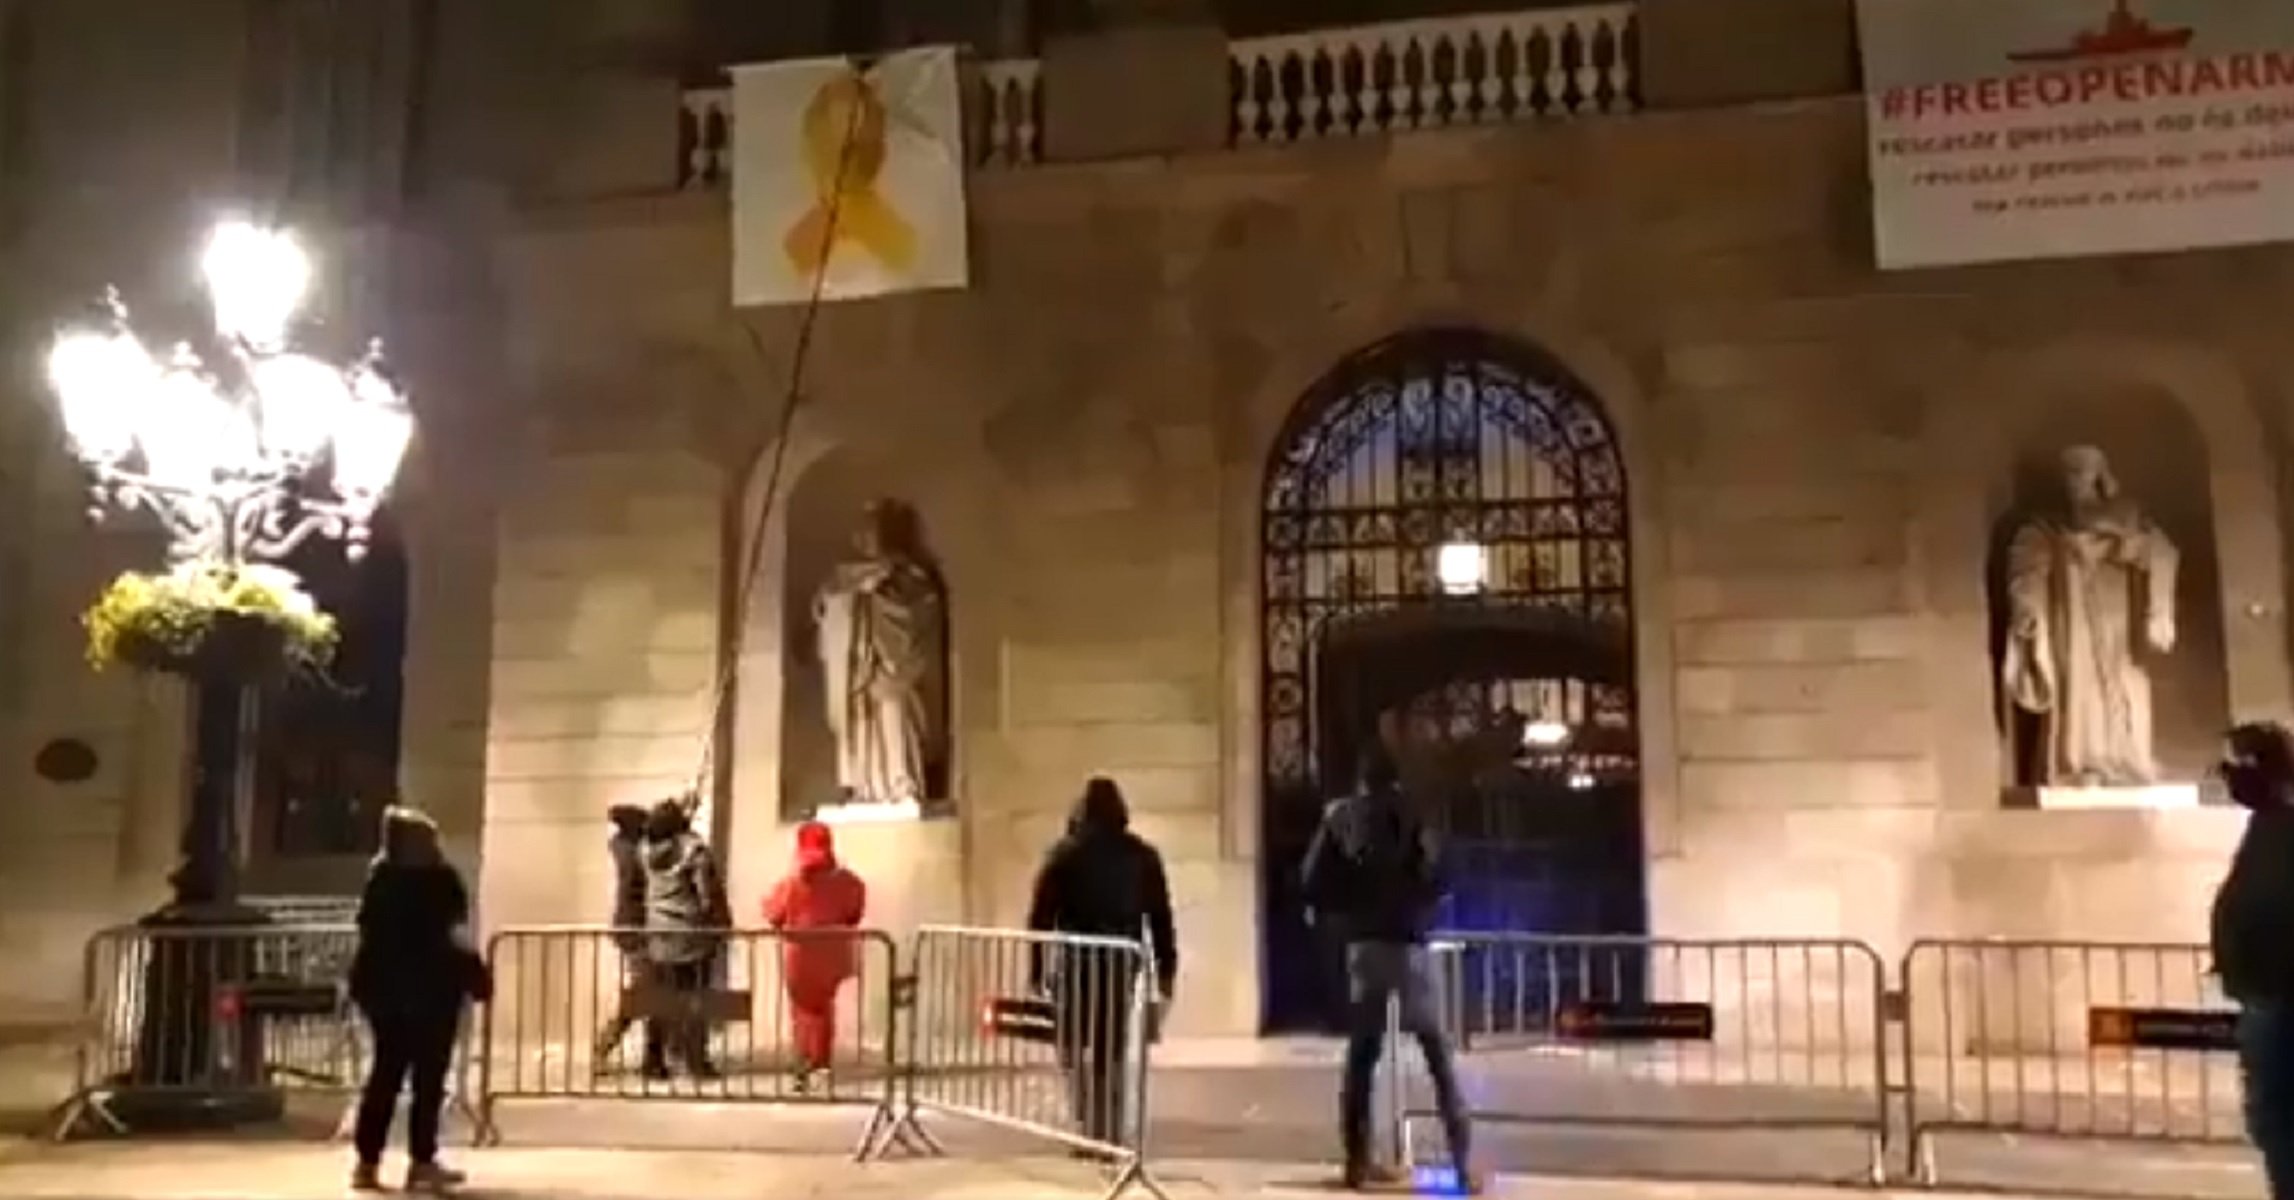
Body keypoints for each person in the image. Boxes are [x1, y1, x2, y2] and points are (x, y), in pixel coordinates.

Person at [1300, 751, 1479, 1195]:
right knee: (1438, 1055)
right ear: (1395, 780)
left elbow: (1312, 881)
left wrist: (1341, 912)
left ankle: (1356, 1163)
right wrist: (1421, 907)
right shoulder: (1416, 814)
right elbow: (1442, 874)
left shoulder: (1340, 817)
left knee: (1362, 1058)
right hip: (1410, 944)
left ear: (1361, 779)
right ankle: (1461, 1163)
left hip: (1364, 945)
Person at [1025, 777, 1178, 1154]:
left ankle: (1085, 1126)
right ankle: (1109, 1128)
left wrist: (1036, 969)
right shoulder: (1143, 857)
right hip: (1121, 963)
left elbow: (1040, 917)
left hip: (1076, 961)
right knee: (1111, 1048)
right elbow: (1160, 918)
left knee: (1075, 1046)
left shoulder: (1064, 855)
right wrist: (1165, 968)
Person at [347, 807, 487, 1194]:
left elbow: (369, 934)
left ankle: (367, 1161)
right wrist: (477, 976)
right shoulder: (440, 881)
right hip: (432, 989)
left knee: (384, 1076)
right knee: (428, 1079)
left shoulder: (380, 880)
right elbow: (456, 935)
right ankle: (421, 1160)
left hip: (384, 991)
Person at [2213, 721, 2294, 1199]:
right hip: (2265, 996)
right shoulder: (2265, 827)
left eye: (2236, 764)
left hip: (2281, 997)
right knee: (2273, 1120)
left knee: (2280, 1117)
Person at [762, 820, 869, 1093]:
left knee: (802, 1013)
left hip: (800, 955)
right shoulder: (847, 881)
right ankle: (821, 1064)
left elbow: (774, 914)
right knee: (824, 1009)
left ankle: (804, 1064)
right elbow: (854, 913)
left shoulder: (793, 883)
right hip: (833, 954)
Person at [639, 798, 729, 1081]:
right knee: (695, 1000)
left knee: (660, 1001)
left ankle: (653, 1061)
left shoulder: (645, 850)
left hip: (657, 934)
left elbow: (667, 828)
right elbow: (705, 895)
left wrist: (684, 809)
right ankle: (696, 1062)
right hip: (690, 935)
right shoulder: (695, 852)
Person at [591, 804, 651, 1066]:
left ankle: (652, 1056)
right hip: (636, 928)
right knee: (643, 992)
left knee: (650, 991)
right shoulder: (631, 853)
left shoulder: (624, 846)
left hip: (635, 927)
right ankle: (604, 1046)